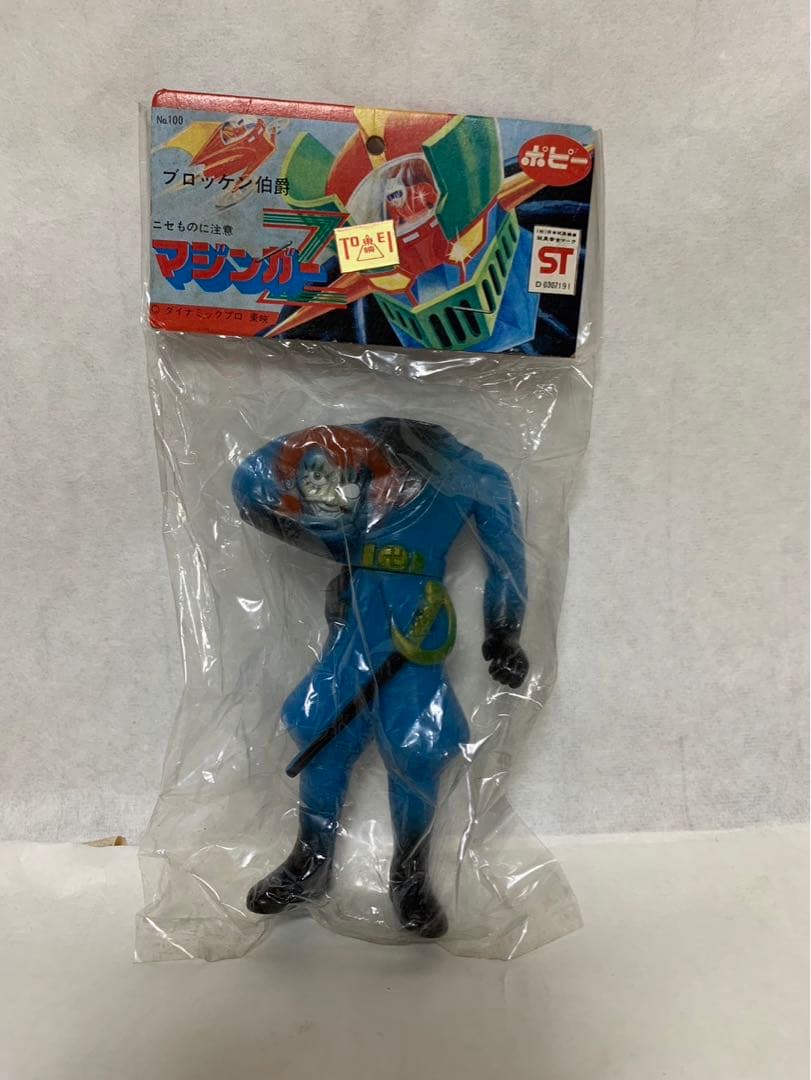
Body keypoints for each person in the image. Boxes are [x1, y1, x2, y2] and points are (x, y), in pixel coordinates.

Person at [232, 417, 528, 937]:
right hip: (358, 610)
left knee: (417, 746)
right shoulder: (362, 453)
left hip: (417, 619)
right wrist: (306, 523)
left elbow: (506, 561)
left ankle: (410, 875)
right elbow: (252, 479)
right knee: (322, 731)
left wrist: (503, 631)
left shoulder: (477, 476)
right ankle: (310, 859)